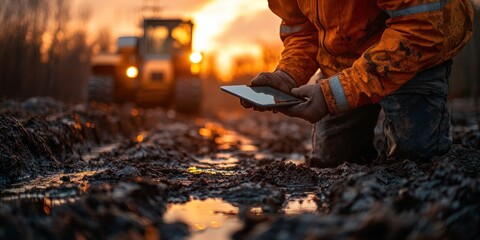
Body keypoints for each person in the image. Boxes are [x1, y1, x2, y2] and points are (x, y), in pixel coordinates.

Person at [243, 0, 474, 167]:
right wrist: (287, 75)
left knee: (419, 158)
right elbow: (302, 30)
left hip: (414, 54)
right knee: (332, 159)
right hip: (343, 58)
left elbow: (418, 29)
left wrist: (331, 95)